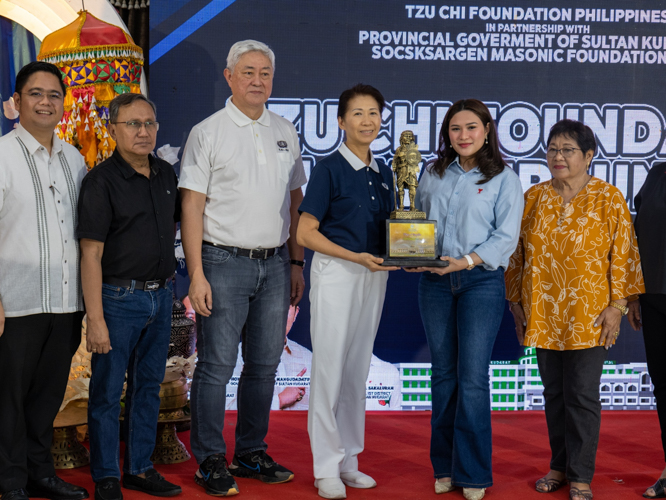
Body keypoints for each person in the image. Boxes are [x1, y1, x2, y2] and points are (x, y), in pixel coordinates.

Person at [179, 39, 306, 496]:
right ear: (230, 77)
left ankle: (250, 451)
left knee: (265, 365)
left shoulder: (285, 129)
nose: (257, 80)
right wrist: (196, 273)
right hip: (221, 260)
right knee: (215, 365)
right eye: (248, 72)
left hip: (274, 264)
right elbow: (191, 207)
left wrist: (295, 261)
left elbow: (294, 200)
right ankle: (210, 459)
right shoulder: (207, 132)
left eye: (265, 73)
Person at [505, 119, 644, 500]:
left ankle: (581, 475)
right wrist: (516, 304)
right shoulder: (532, 197)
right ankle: (559, 466)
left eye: (567, 150)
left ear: (589, 155)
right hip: (544, 313)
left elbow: (625, 255)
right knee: (553, 393)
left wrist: (618, 305)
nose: (558, 156)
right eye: (552, 149)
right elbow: (516, 255)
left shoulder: (608, 197)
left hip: (591, 314)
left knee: (581, 394)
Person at [407, 98, 524, 500]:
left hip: (480, 282)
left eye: (471, 127)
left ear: (487, 130)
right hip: (435, 283)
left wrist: (465, 262)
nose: (463, 136)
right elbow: (416, 221)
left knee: (472, 379)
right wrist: (410, 254)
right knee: (442, 377)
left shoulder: (504, 179)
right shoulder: (432, 172)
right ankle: (444, 467)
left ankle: (472, 473)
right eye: (455, 129)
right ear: (447, 135)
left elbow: (505, 239)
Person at [297, 83, 399, 499]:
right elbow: (305, 232)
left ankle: (349, 460)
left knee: (358, 370)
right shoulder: (329, 168)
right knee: (330, 371)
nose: (367, 121)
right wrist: (355, 257)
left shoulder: (385, 171)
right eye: (357, 113)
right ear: (341, 121)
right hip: (338, 273)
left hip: (375, 274)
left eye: (374, 112)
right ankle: (325, 467)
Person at [78, 93, 182, 500]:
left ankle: (139, 467)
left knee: (148, 387)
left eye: (150, 123)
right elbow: (91, 253)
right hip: (118, 299)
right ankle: (106, 474)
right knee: (106, 392)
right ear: (113, 129)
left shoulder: (166, 174)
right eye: (133, 124)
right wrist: (96, 317)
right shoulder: (100, 182)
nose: (143, 132)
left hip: (161, 297)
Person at [0, 61, 88, 500]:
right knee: (9, 399)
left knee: (47, 396)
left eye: (54, 95)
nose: (46, 102)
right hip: (15, 303)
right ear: (16, 102)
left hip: (67, 302)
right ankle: (10, 479)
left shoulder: (74, 158)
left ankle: (40, 473)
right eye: (35, 94)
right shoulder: (1, 155)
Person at [627, 161, 666, 499]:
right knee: (664, 387)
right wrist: (634, 295)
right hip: (654, 296)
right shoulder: (657, 173)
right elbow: (638, 236)